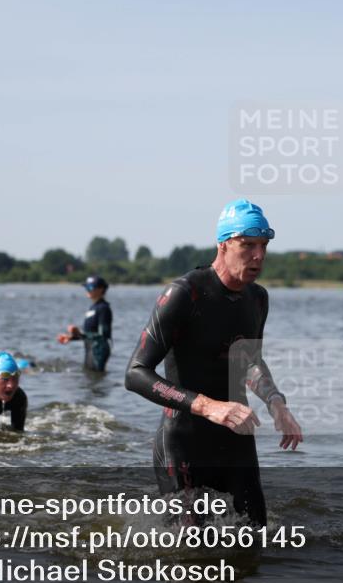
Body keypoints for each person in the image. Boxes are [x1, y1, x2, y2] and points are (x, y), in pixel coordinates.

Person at [125, 199, 303, 526]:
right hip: (183, 442)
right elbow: (136, 374)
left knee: (256, 539)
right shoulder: (184, 293)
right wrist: (208, 406)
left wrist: (277, 404)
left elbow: (249, 362)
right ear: (223, 244)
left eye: (263, 245)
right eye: (247, 244)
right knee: (192, 554)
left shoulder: (257, 298)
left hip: (235, 439)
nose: (259, 255)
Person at [57, 276, 112, 371]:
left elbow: (103, 335)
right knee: (90, 376)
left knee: (95, 376)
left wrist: (79, 333)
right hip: (90, 348)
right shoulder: (93, 307)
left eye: (90, 287)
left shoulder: (103, 308)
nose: (87, 290)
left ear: (101, 289)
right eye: (86, 287)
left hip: (99, 351)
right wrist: (72, 337)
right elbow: (89, 334)